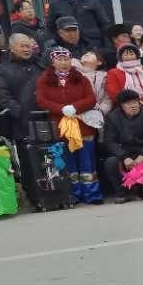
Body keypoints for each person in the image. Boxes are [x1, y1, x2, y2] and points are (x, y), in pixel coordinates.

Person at [35, 47, 101, 204]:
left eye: (66, 59)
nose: (63, 63)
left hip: (82, 126)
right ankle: (72, 194)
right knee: (66, 163)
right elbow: (41, 100)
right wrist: (60, 109)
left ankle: (92, 194)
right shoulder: (44, 80)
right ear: (53, 61)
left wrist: (75, 107)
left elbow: (91, 99)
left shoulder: (81, 78)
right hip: (60, 127)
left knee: (87, 162)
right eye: (59, 59)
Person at [101, 88, 143, 200]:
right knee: (110, 162)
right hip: (124, 152)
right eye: (128, 103)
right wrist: (124, 156)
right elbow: (109, 141)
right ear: (121, 106)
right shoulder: (113, 118)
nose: (133, 105)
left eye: (135, 102)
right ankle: (123, 193)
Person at [0, 32, 43, 141]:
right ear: (12, 48)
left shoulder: (40, 66)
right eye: (22, 46)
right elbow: (1, 97)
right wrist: (22, 113)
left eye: (28, 46)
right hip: (16, 123)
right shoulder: (1, 70)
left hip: (43, 118)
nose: (26, 49)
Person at [46, 0, 111, 50]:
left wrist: (107, 46)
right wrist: (55, 45)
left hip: (93, 44)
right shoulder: (55, 3)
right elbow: (50, 28)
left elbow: (104, 24)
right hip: (67, 46)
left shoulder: (91, 1)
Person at [105, 43, 143, 111]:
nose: (129, 57)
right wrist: (131, 104)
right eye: (125, 54)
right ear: (120, 57)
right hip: (123, 109)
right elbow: (113, 92)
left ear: (137, 56)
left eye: (131, 54)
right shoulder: (113, 73)